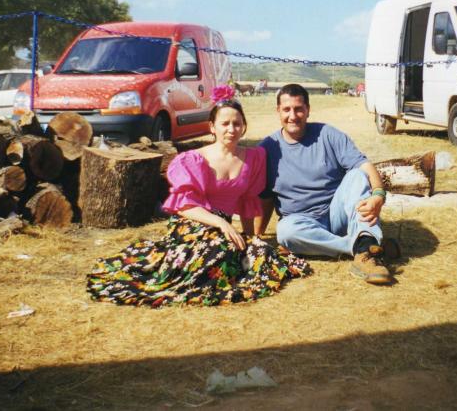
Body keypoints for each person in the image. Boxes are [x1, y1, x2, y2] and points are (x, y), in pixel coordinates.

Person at [87, 85, 311, 307]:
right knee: (215, 251)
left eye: (236, 123)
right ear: (212, 127)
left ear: (243, 126)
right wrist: (221, 223)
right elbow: (185, 206)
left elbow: (247, 202)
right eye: (225, 124)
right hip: (194, 223)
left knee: (255, 253)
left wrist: (251, 238)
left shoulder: (254, 158)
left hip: (223, 228)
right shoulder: (193, 160)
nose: (231, 129)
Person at [255, 83, 393, 285]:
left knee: (356, 175)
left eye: (298, 109)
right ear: (278, 111)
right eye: (286, 109)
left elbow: (364, 165)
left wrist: (379, 196)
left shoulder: (328, 134)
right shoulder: (267, 149)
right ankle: (364, 247)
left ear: (308, 110)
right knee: (285, 231)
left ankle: (365, 246)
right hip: (303, 223)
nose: (293, 116)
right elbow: (265, 197)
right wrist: (257, 235)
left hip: (338, 216)